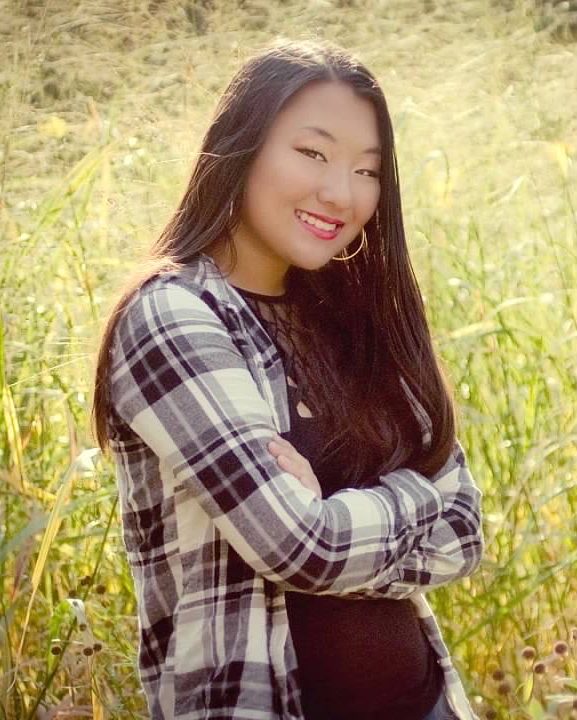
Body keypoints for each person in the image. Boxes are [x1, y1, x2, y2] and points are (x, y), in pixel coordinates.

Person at [92, 40, 483, 720]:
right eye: (312, 154)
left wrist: (337, 512)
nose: (341, 193)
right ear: (240, 148)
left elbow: (466, 533)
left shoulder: (353, 322)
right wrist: (416, 501)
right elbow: (302, 547)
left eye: (367, 170)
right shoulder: (171, 316)